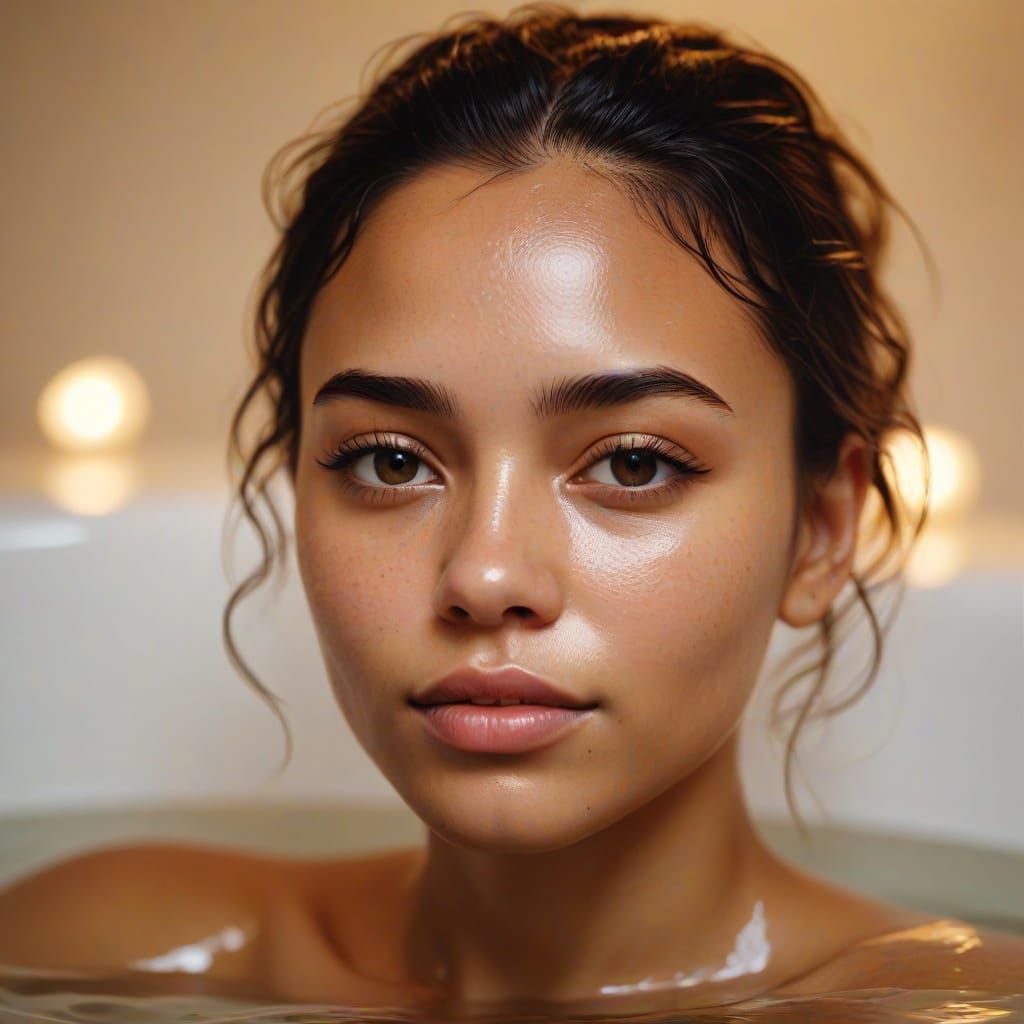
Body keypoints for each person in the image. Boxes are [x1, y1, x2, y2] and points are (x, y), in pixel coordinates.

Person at [2, 4, 1022, 1014]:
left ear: (822, 531)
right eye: (391, 461)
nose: (484, 576)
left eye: (632, 464)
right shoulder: (100, 946)